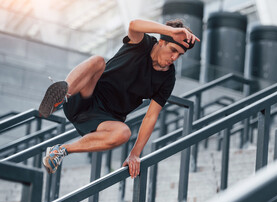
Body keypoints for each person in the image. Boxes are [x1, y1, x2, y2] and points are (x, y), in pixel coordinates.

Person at [39, 19, 200, 178]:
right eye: (173, 50)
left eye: (179, 55)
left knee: (123, 133)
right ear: (162, 41)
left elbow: (151, 116)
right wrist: (171, 31)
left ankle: (60, 151)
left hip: (105, 120)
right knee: (98, 61)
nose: (174, 57)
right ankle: (61, 96)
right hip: (86, 96)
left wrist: (135, 154)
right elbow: (133, 25)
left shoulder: (168, 79)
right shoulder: (142, 44)